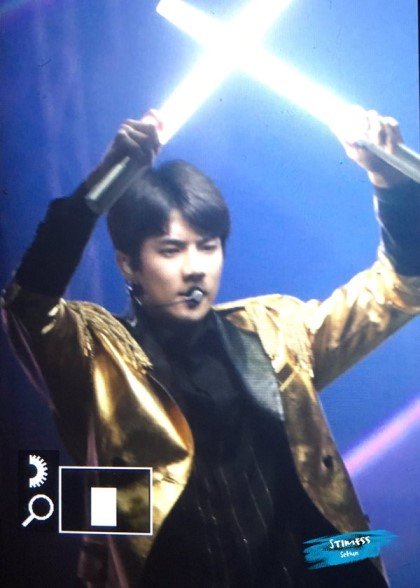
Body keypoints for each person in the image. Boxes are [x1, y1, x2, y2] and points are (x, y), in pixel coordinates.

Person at [2, 108, 420, 588]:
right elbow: (27, 306)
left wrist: (388, 180)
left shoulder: (274, 331)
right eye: (171, 249)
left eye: (208, 245)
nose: (195, 268)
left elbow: (396, 291)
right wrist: (105, 181)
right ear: (128, 264)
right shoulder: (98, 355)